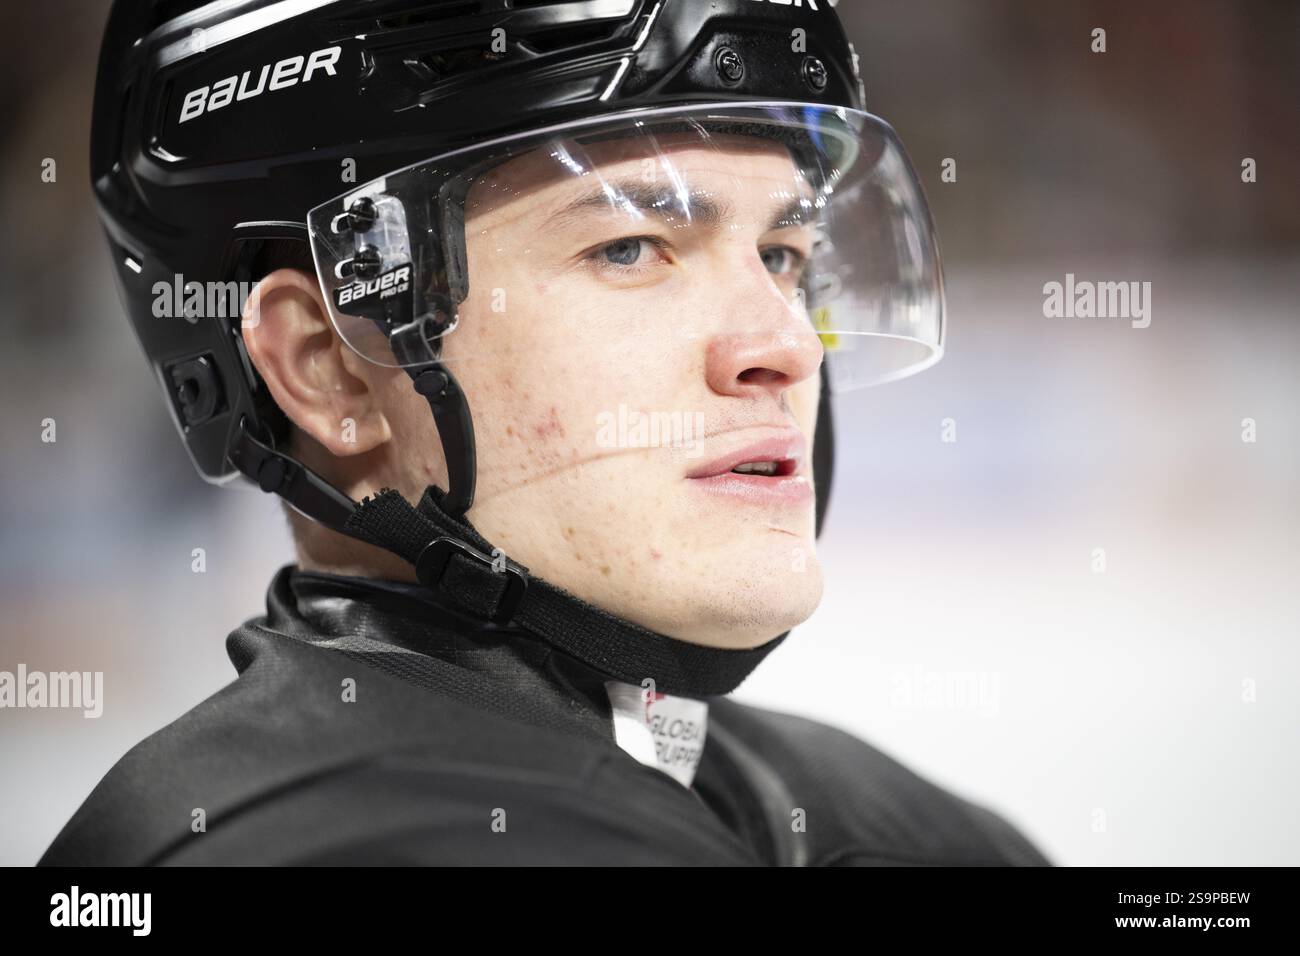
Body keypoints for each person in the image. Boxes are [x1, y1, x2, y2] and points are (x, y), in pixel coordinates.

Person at [39, 0, 1049, 866]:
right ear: (328, 367)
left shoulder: (871, 814)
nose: (785, 342)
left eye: (784, 253)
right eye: (628, 247)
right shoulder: (336, 840)